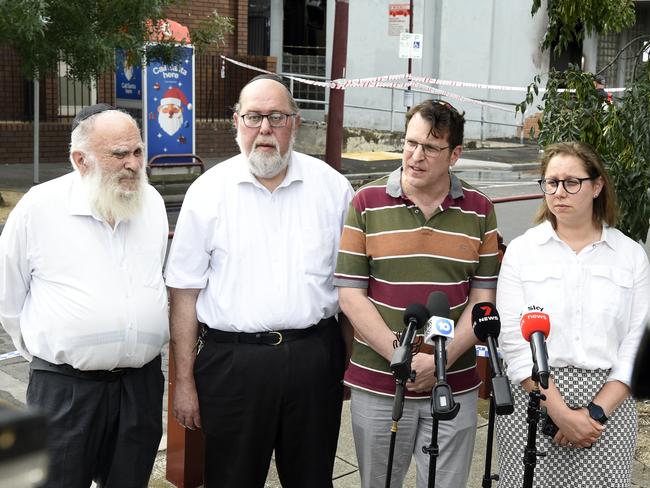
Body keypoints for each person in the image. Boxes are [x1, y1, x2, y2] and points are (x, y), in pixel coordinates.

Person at [165, 74, 354, 488]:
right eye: (253, 117)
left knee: (311, 479)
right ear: (237, 122)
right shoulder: (207, 192)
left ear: (296, 123)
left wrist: (347, 363)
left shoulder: (333, 189)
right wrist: (183, 384)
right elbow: (183, 294)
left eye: (276, 117)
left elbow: (351, 287)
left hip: (314, 359)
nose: (264, 129)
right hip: (232, 367)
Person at [0, 104, 170, 487]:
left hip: (140, 386)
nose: (132, 164)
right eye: (119, 154)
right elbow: (7, 295)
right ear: (81, 159)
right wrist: (51, 352)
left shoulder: (152, 203)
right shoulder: (38, 208)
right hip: (66, 389)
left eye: (138, 151)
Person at [334, 99, 500, 488]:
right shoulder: (365, 202)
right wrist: (402, 356)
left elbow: (483, 299)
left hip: (453, 383)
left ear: (455, 154)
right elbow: (350, 295)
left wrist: (440, 361)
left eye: (430, 147)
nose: (415, 155)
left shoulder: (480, 211)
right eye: (410, 143)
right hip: (379, 382)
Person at [495, 141, 649, 486]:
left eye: (571, 182)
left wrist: (595, 412)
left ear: (597, 186)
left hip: (608, 405)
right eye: (551, 182)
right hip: (535, 398)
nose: (559, 192)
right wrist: (560, 412)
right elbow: (514, 344)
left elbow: (637, 343)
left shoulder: (629, 255)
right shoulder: (523, 252)